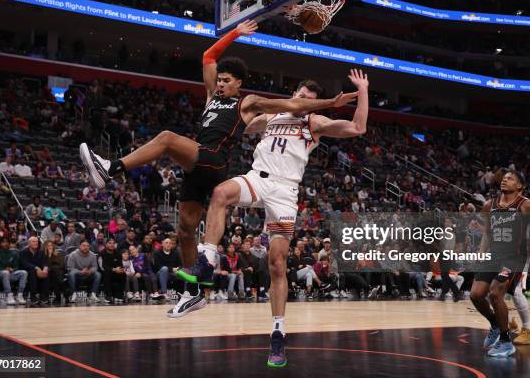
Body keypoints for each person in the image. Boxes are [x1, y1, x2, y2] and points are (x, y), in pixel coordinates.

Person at [80, 20, 356, 317]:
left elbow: (294, 106)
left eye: (227, 80)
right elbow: (208, 57)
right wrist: (235, 33)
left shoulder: (247, 103)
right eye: (220, 80)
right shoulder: (212, 97)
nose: (221, 83)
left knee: (167, 139)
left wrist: (331, 102)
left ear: (238, 83)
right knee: (185, 229)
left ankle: (111, 167)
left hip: (215, 160)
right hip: (196, 164)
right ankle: (193, 293)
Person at [180, 70, 368, 366]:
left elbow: (358, 127)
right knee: (219, 194)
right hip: (258, 178)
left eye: (309, 100)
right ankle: (207, 262)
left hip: (285, 190)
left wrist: (363, 90)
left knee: (277, 264)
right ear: (294, 94)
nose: (303, 102)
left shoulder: (313, 122)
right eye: (301, 96)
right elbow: (238, 125)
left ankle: (278, 333)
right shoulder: (271, 116)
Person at [469, 171, 530, 357]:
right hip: (494, 256)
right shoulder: (490, 205)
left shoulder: (526, 205)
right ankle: (496, 323)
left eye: (511, 178)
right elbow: (488, 233)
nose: (505, 179)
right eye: (504, 177)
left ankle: (506, 342)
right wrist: (481, 253)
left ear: (520, 186)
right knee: (476, 295)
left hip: (514, 258)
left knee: (496, 293)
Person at [0, 238, 27, 305]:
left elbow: (16, 266)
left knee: (23, 272)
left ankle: (19, 295)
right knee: (5, 272)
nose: (5, 244)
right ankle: (9, 295)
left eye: (7, 242)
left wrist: (13, 269)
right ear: (0, 244)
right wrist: (4, 269)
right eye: (3, 242)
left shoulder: (13, 253)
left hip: (11, 273)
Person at [19, 236, 50, 305]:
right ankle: (33, 296)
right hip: (27, 271)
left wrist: (45, 268)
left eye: (36, 241)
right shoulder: (23, 252)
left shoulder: (41, 252)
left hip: (39, 270)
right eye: (33, 241)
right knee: (33, 273)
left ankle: (44, 296)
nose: (36, 243)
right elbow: (24, 263)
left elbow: (45, 262)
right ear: (29, 243)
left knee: (46, 273)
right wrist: (36, 268)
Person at [99, 238, 126, 303]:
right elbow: (102, 267)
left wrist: (120, 269)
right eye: (110, 243)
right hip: (105, 272)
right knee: (107, 274)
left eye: (113, 243)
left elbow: (121, 265)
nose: (112, 244)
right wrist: (113, 269)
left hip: (116, 272)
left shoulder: (118, 254)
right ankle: (108, 296)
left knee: (123, 274)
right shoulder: (101, 254)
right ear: (106, 244)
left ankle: (119, 296)